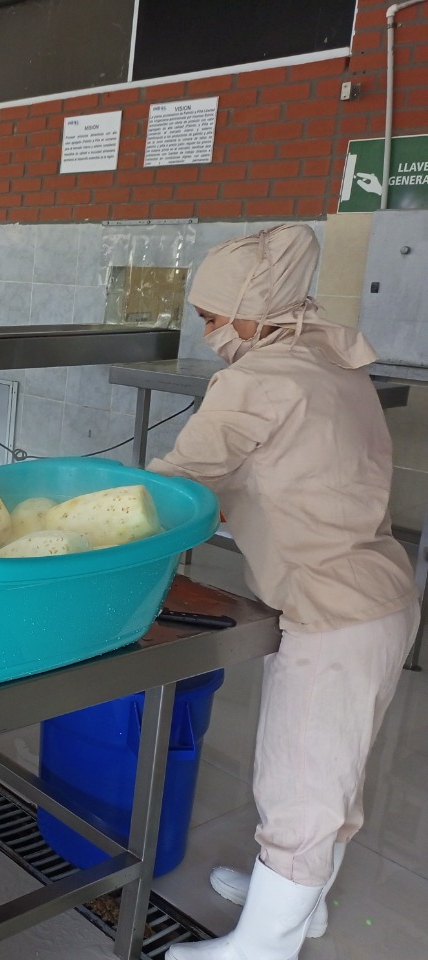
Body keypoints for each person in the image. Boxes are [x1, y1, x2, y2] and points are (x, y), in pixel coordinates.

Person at [150, 225, 419, 960]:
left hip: (332, 611)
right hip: (373, 598)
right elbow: (288, 469)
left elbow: (180, 479)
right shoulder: (327, 359)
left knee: (303, 782)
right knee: (331, 767)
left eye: (212, 316)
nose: (207, 333)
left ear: (252, 307)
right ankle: (306, 906)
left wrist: (103, 511)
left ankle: (259, 950)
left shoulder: (259, 377)